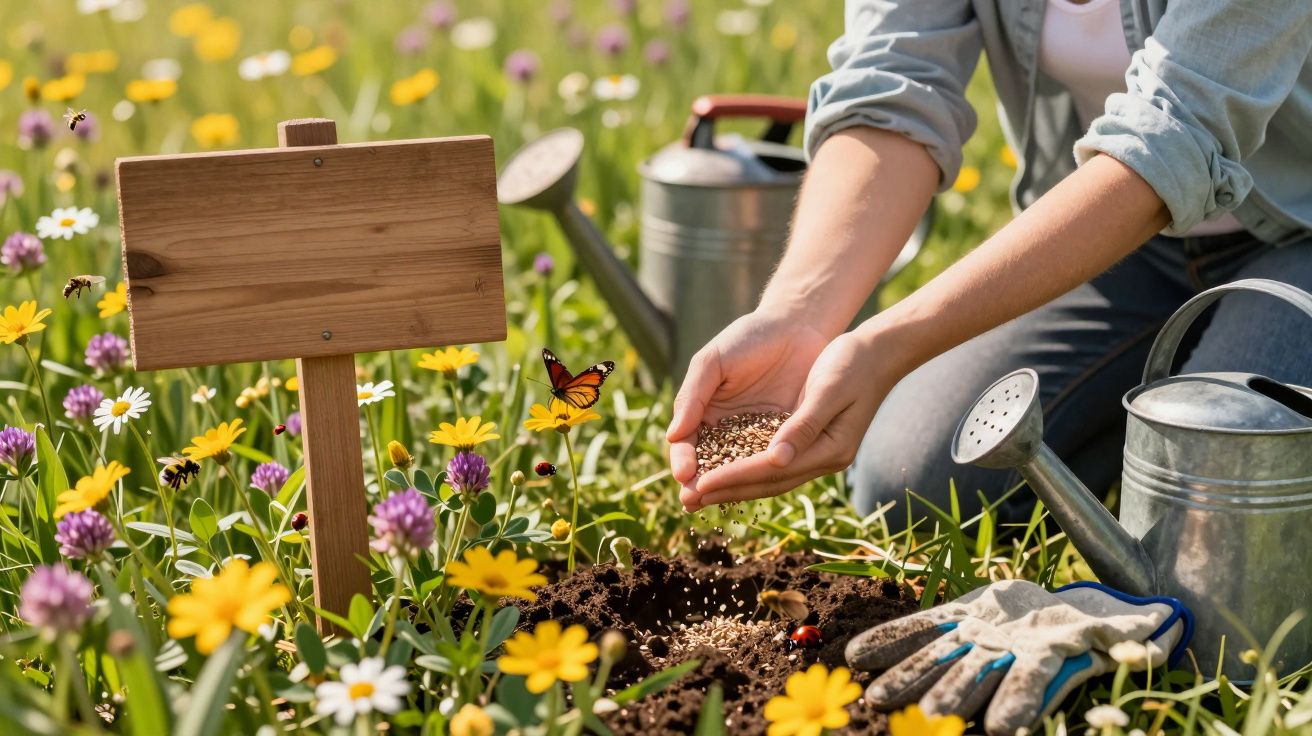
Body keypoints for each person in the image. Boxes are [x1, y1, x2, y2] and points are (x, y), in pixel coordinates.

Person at [668, 0, 1312, 526]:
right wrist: (801, 318)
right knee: (911, 485)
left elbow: (1175, 132)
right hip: (1118, 246)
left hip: (1298, 234)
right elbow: (892, 83)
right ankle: (1154, 411)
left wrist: (890, 344)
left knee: (1221, 515)